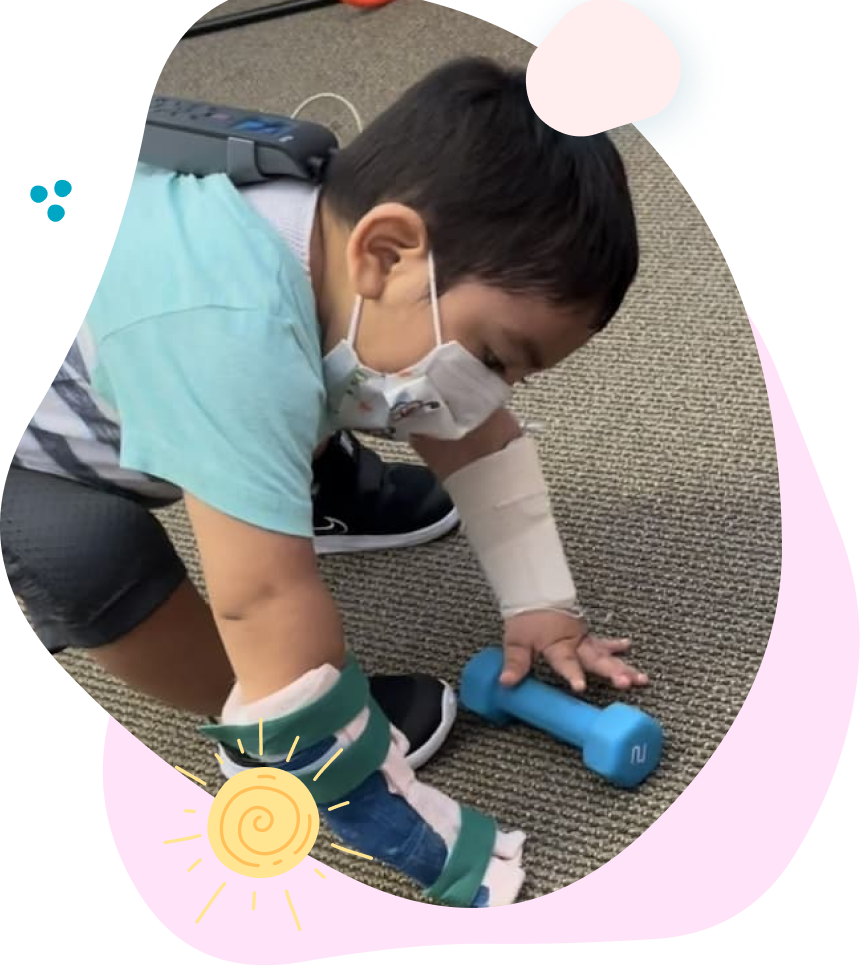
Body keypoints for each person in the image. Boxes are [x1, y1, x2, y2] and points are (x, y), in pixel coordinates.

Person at [2, 56, 647, 907]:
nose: (494, 393)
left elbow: (478, 431)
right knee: (86, 553)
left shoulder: (337, 246)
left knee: (371, 365)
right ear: (385, 249)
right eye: (494, 357)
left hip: (206, 362)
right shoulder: (229, 339)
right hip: (44, 457)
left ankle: (318, 487)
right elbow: (260, 599)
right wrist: (425, 837)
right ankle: (248, 718)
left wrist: (541, 601)